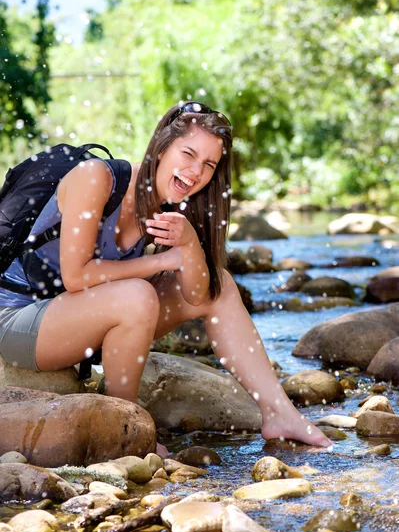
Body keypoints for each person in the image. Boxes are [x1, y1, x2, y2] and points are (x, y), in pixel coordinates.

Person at [0, 101, 332, 452]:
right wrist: (162, 262)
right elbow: (77, 277)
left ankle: (279, 412)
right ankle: (124, 429)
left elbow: (199, 296)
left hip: (87, 322)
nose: (195, 172)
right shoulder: (96, 178)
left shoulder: (173, 205)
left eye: (208, 164)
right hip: (20, 319)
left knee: (220, 285)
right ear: (161, 146)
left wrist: (189, 247)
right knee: (137, 295)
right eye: (188, 153)